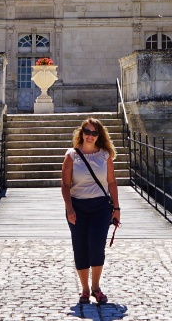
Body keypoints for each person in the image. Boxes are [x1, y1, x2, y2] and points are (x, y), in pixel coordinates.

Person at [61, 117, 120, 305]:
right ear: (81, 133)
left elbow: (111, 182)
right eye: (87, 132)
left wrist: (117, 208)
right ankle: (85, 289)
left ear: (99, 135)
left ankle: (96, 287)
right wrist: (69, 208)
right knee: (80, 247)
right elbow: (65, 184)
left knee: (96, 245)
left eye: (94, 133)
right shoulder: (71, 155)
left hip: (100, 207)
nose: (90, 136)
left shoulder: (104, 155)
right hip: (77, 206)